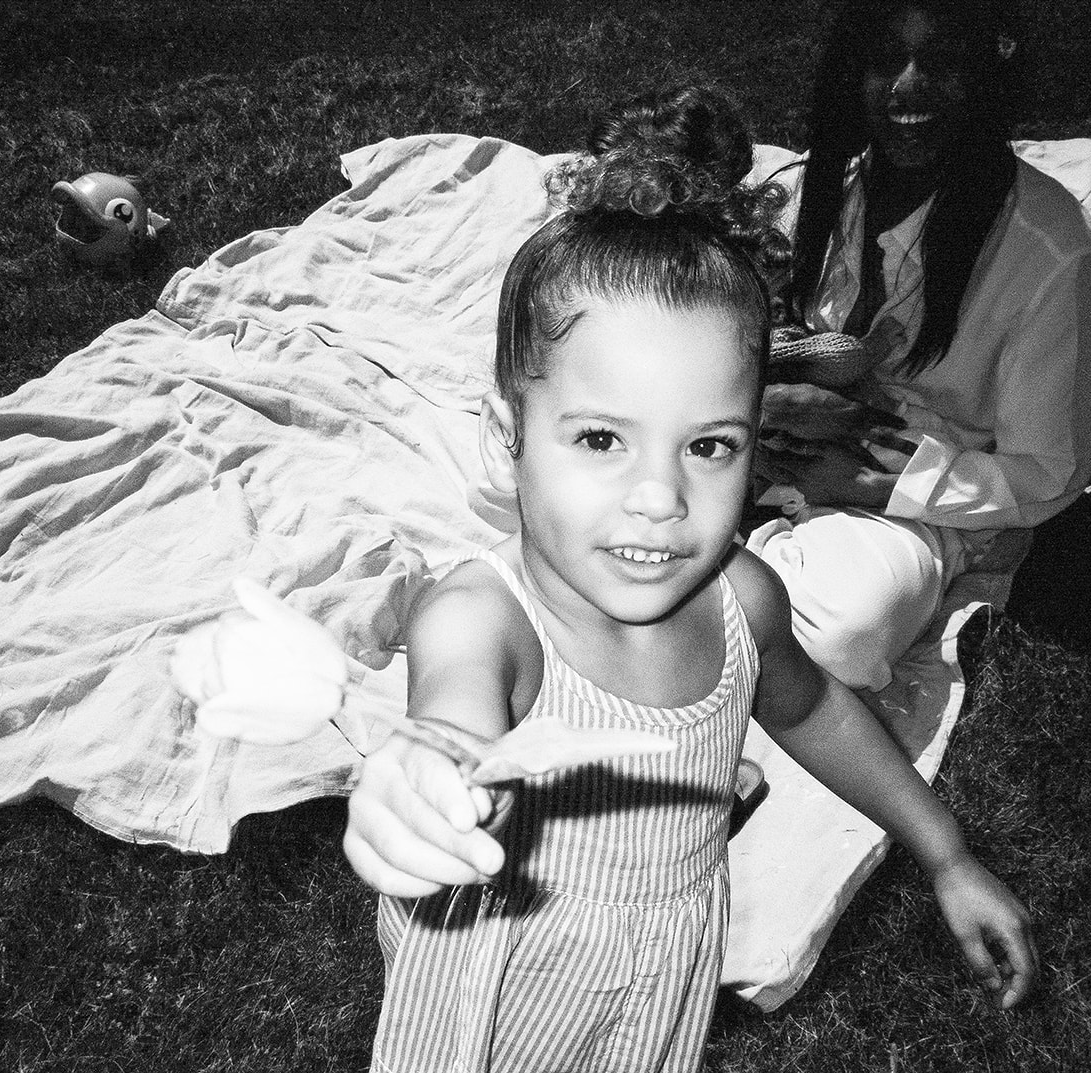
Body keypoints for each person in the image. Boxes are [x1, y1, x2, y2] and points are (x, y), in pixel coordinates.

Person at [344, 87, 1039, 1073]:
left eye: (707, 444)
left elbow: (814, 710)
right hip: (492, 980)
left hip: (662, 959)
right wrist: (416, 785)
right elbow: (447, 724)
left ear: (758, 440)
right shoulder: (484, 616)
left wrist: (945, 850)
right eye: (599, 438)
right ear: (510, 437)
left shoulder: (740, 597)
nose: (660, 496)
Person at [748, 0, 1091, 692]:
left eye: (940, 61)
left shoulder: (1053, 248)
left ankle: (725, 575)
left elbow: (1050, 468)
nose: (907, 88)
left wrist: (871, 485)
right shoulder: (819, 190)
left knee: (842, 639)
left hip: (921, 491)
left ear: (984, 73)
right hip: (783, 439)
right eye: (885, 59)